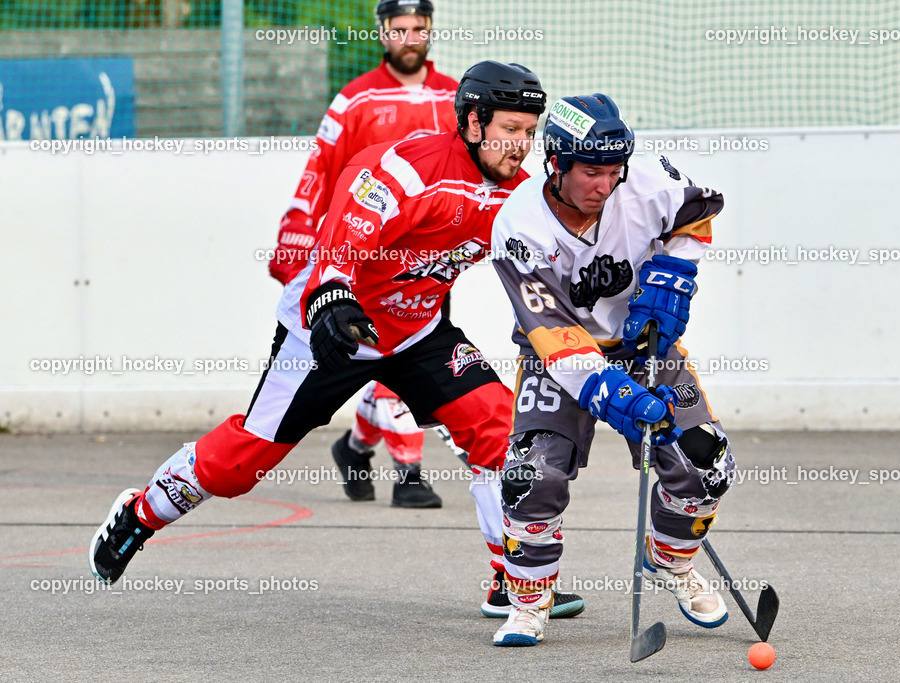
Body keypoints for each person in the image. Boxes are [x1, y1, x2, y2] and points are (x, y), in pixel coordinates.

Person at [89, 61, 584, 620]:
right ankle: (141, 512)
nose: (521, 144)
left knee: (500, 429)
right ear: (472, 121)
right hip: (330, 325)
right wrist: (332, 292)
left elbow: (567, 260)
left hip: (418, 330)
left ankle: (513, 579)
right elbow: (347, 224)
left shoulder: (520, 198)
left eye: (528, 131)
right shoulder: (411, 169)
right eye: (509, 129)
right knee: (239, 466)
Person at [487, 94, 737, 646]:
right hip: (557, 356)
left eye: (614, 171)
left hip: (643, 346)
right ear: (556, 163)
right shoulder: (518, 226)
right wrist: (616, 397)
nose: (606, 185)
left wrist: (674, 273)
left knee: (706, 463)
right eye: (591, 172)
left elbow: (699, 213)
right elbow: (555, 337)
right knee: (532, 477)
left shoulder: (647, 183)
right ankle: (529, 599)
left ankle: (669, 559)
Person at [270, 0, 458, 508]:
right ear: (382, 34)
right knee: (391, 360)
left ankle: (355, 448)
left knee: (397, 365)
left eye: (421, 28)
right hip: (360, 263)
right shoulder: (355, 99)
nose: (412, 38)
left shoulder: (457, 97)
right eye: (400, 29)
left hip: (428, 267)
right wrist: (296, 234)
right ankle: (409, 474)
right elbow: (317, 172)